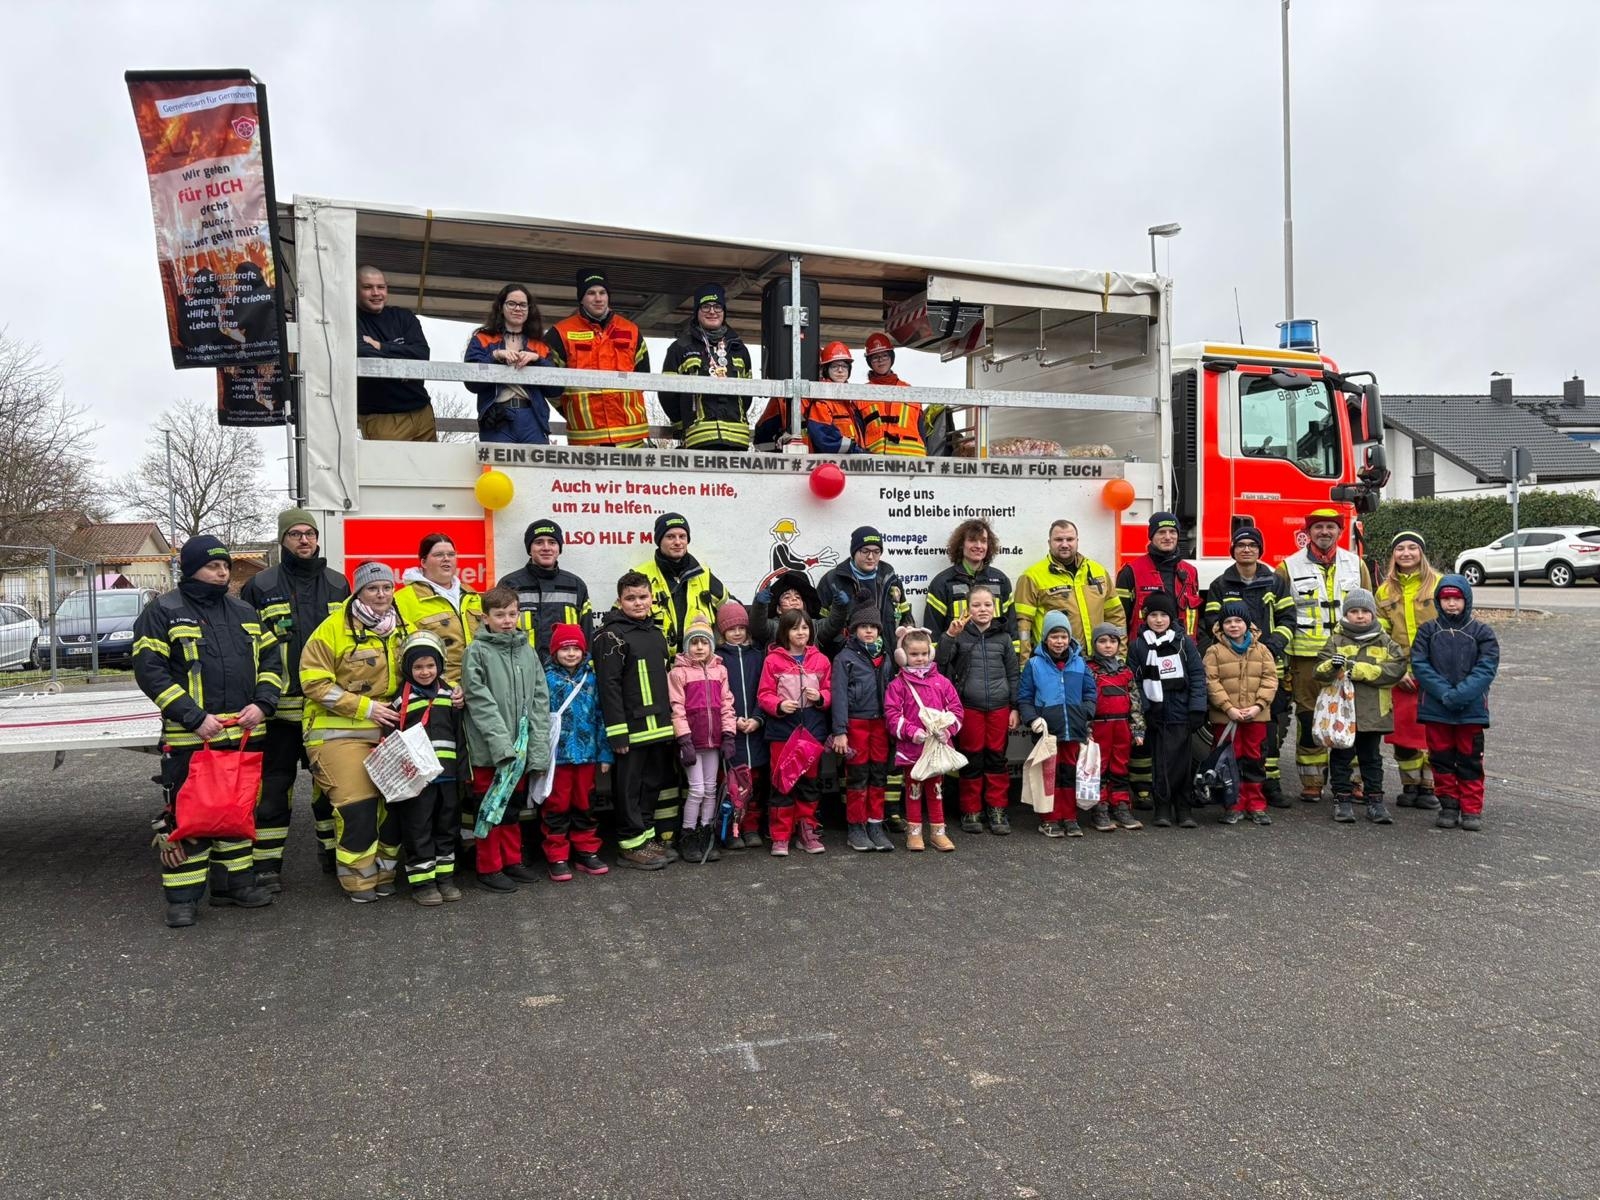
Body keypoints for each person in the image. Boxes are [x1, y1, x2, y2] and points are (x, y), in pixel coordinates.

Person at [136, 536, 283, 928]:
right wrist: (193, 717)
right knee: (192, 818)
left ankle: (234, 886)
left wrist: (264, 703)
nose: (222, 573)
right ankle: (182, 899)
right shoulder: (163, 612)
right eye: (213, 566)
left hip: (242, 734)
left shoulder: (244, 611)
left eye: (225, 567)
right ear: (191, 568)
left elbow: (271, 661)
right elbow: (151, 672)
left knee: (236, 815)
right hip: (192, 738)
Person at [240, 507, 350, 887]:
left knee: (329, 789)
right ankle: (266, 867)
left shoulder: (339, 584)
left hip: (327, 710)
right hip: (280, 714)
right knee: (272, 792)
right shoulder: (260, 586)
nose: (304, 540)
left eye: (310, 533)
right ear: (283, 539)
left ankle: (333, 857)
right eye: (295, 534)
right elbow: (247, 649)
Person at [300, 561, 409, 902]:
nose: (381, 594)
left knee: (396, 805)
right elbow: (313, 683)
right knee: (358, 807)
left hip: (389, 731)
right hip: (337, 733)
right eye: (372, 588)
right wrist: (366, 708)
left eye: (386, 588)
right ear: (358, 592)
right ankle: (359, 882)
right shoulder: (332, 630)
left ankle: (386, 873)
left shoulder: (403, 626)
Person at [1275, 508, 1373, 803]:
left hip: (1349, 656)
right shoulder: (1287, 568)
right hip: (1307, 659)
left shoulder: (1356, 565)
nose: (1325, 532)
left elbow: (1370, 611)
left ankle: (1353, 781)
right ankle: (1312, 781)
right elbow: (1281, 615)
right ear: (1309, 532)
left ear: (1340, 532)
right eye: (1318, 527)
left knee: (1350, 716)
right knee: (1309, 720)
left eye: (1331, 527)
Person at [462, 587, 552, 893]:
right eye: (499, 615)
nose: (507, 620)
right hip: (491, 751)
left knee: (512, 808)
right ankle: (489, 867)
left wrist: (536, 750)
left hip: (520, 747)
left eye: (512, 614)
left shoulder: (527, 651)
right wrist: (502, 747)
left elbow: (540, 700)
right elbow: (480, 702)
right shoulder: (477, 652)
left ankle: (512, 861)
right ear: (485, 617)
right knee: (490, 808)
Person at [1200, 526, 1294, 807]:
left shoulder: (1274, 582)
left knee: (1269, 728)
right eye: (1241, 545)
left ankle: (1270, 784)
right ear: (1233, 550)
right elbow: (1211, 622)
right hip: (1231, 668)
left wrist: (1273, 646)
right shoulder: (1220, 584)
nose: (1246, 549)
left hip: (1267, 667)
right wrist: (1227, 649)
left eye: (1253, 545)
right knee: (1233, 737)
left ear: (1259, 550)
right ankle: (1234, 790)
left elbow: (1289, 618)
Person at [595, 571, 677, 870]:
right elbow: (609, 687)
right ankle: (630, 845)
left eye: (643, 597)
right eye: (631, 598)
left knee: (651, 783)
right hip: (630, 729)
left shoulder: (656, 633)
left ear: (651, 599)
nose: (638, 603)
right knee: (628, 788)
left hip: (659, 726)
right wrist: (617, 733)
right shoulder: (610, 636)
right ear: (619, 601)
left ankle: (646, 837)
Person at [1410, 576, 1499, 833]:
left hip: (1470, 711)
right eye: (1446, 598)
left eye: (1456, 598)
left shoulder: (1482, 632)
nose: (1451, 604)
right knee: (1441, 760)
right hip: (1437, 710)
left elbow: (1486, 668)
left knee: (1470, 761)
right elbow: (1421, 665)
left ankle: (1471, 808)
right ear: (1438, 601)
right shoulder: (1428, 631)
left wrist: (1459, 695)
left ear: (1466, 600)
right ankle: (1449, 805)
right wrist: (1445, 694)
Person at [1313, 589, 1407, 825]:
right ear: (1346, 615)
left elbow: (1397, 668)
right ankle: (1342, 800)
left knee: (1372, 759)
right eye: (1354, 611)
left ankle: (1375, 801)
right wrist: (1331, 667)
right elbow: (1318, 672)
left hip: (1373, 712)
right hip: (1343, 714)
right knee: (1341, 758)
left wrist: (1362, 671)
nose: (1360, 616)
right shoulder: (1336, 640)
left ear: (1373, 614)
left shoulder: (1384, 641)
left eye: (1365, 611)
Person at [936, 585, 1019, 836]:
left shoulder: (1004, 638)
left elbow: (1013, 674)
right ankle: (970, 810)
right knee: (971, 759)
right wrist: (949, 636)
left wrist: (1014, 707)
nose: (982, 610)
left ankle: (997, 809)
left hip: (999, 708)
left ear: (995, 608)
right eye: (976, 605)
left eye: (987, 605)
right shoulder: (959, 636)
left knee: (996, 758)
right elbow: (940, 662)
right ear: (966, 608)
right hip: (968, 708)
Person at [391, 631, 464, 905]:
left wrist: (462, 770)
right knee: (418, 828)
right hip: (418, 781)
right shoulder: (401, 700)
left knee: (447, 827)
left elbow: (460, 733)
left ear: (440, 666)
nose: (424, 672)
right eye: (418, 666)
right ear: (407, 668)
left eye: (430, 666)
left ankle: (445, 878)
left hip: (447, 776)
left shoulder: (451, 695)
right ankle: (423, 883)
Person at [543, 267, 650, 447]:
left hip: (631, 437)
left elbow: (644, 378)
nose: (598, 298)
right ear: (581, 299)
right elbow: (548, 384)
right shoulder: (560, 333)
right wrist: (571, 410)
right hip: (586, 439)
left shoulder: (631, 330)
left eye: (602, 292)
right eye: (591, 293)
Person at [1127, 592, 1207, 829]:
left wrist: (1197, 709)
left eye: (1164, 615)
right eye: (1153, 615)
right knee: (1160, 762)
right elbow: (1134, 681)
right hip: (1157, 713)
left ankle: (1183, 808)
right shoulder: (1139, 646)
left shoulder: (1184, 643)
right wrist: (1146, 708)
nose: (1159, 620)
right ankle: (1162, 806)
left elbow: (1197, 676)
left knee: (1182, 762)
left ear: (1172, 617)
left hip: (1181, 712)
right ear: (1145, 617)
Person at [1375, 531, 1442, 811]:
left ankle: (1430, 787)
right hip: (1401, 675)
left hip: (1435, 673)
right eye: (1400, 548)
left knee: (1432, 733)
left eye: (1412, 548)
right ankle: (1410, 784)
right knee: (1403, 735)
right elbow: (1380, 636)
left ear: (1421, 552)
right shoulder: (1384, 591)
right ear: (1394, 555)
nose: (1406, 553)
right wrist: (1394, 670)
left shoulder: (1439, 584)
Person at [758, 609, 833, 857]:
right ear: (785, 632)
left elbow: (829, 691)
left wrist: (821, 697)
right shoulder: (773, 660)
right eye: (794, 628)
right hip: (783, 731)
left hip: (812, 730)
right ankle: (781, 835)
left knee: (809, 783)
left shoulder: (821, 660)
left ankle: (807, 830)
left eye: (805, 628)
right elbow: (764, 694)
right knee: (783, 782)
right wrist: (779, 705)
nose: (801, 633)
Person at [1017, 610, 1098, 838]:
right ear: (1044, 638)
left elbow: (1090, 692)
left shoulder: (1080, 664)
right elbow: (1024, 698)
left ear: (1069, 637)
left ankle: (1069, 817)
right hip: (1047, 734)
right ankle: (1049, 818)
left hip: (1074, 729)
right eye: (1054, 636)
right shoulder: (1034, 665)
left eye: (1063, 636)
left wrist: (1086, 712)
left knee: (1069, 774)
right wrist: (1033, 720)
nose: (1059, 641)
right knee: (1048, 776)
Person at [541, 623, 612, 882]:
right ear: (554, 652)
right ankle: (557, 854)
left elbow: (601, 716)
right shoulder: (546, 679)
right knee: (557, 804)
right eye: (565, 648)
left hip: (587, 754)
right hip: (557, 757)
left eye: (575, 648)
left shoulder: (592, 678)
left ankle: (586, 850)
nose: (571, 653)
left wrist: (605, 753)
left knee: (585, 803)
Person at [884, 628, 964, 851]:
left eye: (923, 654)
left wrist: (948, 731)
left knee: (936, 790)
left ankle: (938, 832)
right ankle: (914, 833)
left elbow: (956, 710)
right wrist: (912, 732)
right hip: (912, 750)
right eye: (913, 654)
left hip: (936, 748)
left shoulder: (942, 682)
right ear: (903, 656)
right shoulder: (898, 685)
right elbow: (892, 715)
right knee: (913, 790)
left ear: (930, 653)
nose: (919, 659)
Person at [1201, 601, 1279, 827]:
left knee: (1255, 760)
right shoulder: (1214, 651)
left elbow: (1270, 680)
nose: (1233, 625)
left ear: (1248, 624)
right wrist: (1229, 708)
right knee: (1229, 762)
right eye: (1227, 621)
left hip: (1256, 717)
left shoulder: (1262, 650)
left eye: (1238, 621)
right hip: (1226, 719)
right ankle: (1233, 805)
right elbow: (1211, 682)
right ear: (1220, 626)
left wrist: (1258, 706)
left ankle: (1256, 804)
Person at [668, 615, 737, 863]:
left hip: (714, 742)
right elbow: (677, 708)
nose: (699, 647)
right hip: (692, 742)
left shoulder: (721, 670)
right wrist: (683, 740)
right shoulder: (678, 673)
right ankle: (687, 834)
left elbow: (727, 705)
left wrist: (729, 734)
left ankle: (706, 833)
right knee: (696, 790)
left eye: (704, 643)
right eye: (694, 643)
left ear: (711, 645)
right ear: (687, 646)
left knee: (710, 790)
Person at [830, 604, 897, 852]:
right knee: (857, 777)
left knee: (879, 774)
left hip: (881, 725)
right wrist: (840, 731)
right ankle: (856, 827)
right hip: (856, 724)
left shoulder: (886, 657)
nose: (868, 631)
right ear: (853, 630)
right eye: (863, 627)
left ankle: (875, 824)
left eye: (873, 627)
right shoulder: (844, 658)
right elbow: (838, 696)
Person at [463, 284, 563, 444]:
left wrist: (537, 360)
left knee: (535, 468)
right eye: (511, 304)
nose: (518, 309)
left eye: (523, 305)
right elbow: (471, 383)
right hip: (498, 417)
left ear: (529, 310)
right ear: (501, 307)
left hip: (532, 417)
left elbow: (556, 389)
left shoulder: (539, 345)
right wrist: (494, 355)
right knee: (497, 469)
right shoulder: (482, 339)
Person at [660, 284, 754, 451]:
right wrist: (685, 423)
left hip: (737, 439)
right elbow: (667, 394)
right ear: (697, 312)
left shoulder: (739, 348)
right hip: (698, 438)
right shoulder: (680, 347)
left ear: (724, 311)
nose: (712, 311)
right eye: (705, 306)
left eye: (717, 306)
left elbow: (747, 395)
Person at [1014, 520, 1126, 654]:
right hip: (1056, 663)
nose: (1065, 544)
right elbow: (1023, 626)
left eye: (1070, 539)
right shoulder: (1031, 577)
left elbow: (1116, 616)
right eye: (1058, 539)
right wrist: (1024, 664)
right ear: (1049, 542)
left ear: (1077, 541)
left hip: (1099, 662)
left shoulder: (1098, 571)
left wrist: (1119, 655)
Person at [356, 265, 436, 442]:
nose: (376, 293)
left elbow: (422, 353)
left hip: (422, 410)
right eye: (368, 287)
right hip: (382, 417)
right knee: (389, 470)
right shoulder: (350, 319)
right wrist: (405, 356)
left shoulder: (403, 316)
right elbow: (362, 352)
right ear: (355, 289)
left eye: (381, 287)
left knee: (429, 469)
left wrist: (381, 347)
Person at [498, 518, 595, 661]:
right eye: (538, 542)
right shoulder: (509, 584)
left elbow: (587, 634)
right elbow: (497, 633)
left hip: (565, 676)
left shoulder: (575, 586)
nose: (546, 547)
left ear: (559, 548)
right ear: (529, 549)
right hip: (523, 672)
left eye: (552, 542)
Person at [394, 532, 484, 685]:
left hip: (479, 685)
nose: (446, 559)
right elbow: (399, 653)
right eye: (438, 555)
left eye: (451, 554)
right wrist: (442, 686)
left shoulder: (473, 595)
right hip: (437, 690)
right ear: (423, 562)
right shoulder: (402, 599)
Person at [716, 601, 769, 849]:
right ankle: (732, 829)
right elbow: (716, 696)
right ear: (722, 631)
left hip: (755, 731)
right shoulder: (717, 660)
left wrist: (758, 718)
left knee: (755, 784)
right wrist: (732, 720)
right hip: (731, 730)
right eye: (731, 628)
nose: (737, 632)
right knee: (732, 784)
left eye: (741, 627)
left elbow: (765, 690)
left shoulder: (758, 657)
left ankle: (751, 827)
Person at [636, 512, 730, 648]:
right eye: (670, 537)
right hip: (658, 663)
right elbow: (621, 619)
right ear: (659, 540)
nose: (678, 542)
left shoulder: (703, 574)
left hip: (696, 663)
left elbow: (731, 609)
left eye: (682, 536)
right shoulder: (641, 575)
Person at [1084, 622, 1145, 831]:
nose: (1108, 646)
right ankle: (1099, 808)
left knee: (1120, 766)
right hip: (1100, 726)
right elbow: (1084, 701)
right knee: (1098, 767)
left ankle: (1120, 805)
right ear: (1094, 644)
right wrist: (1086, 729)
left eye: (1112, 641)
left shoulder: (1125, 670)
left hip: (1122, 726)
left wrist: (1138, 729)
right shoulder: (1088, 670)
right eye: (1102, 641)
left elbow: (1135, 702)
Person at [817, 526, 911, 656]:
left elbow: (906, 618)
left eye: (876, 551)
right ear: (854, 551)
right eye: (865, 551)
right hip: (847, 660)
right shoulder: (832, 580)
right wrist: (841, 644)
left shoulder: (891, 579)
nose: (871, 557)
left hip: (887, 659)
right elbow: (819, 627)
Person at [924, 518, 1016, 648]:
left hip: (995, 662)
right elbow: (933, 632)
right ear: (961, 544)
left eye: (983, 541)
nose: (979, 546)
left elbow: (1011, 628)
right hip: (957, 662)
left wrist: (1015, 662)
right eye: (972, 540)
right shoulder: (942, 582)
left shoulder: (1001, 581)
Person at [1116, 512, 1202, 639]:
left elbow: (1194, 618)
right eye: (1161, 532)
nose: (1168, 537)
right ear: (1151, 536)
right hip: (1143, 652)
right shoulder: (1130, 572)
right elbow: (1119, 619)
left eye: (1172, 531)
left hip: (1181, 650)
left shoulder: (1190, 572)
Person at [861, 332, 925, 456]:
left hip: (913, 462)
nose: (880, 361)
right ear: (869, 362)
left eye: (884, 355)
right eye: (875, 357)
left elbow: (921, 429)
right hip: (876, 463)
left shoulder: (910, 391)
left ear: (891, 357)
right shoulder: (860, 394)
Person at [805, 342, 869, 454]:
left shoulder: (850, 403)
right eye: (835, 366)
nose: (840, 370)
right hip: (834, 464)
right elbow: (824, 438)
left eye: (844, 366)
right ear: (826, 370)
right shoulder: (822, 402)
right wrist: (855, 450)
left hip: (854, 464)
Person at [749, 569, 821, 649]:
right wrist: (760, 605)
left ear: (804, 606)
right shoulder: (773, 627)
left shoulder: (815, 626)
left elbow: (832, 624)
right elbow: (757, 626)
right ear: (779, 609)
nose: (794, 599)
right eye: (787, 597)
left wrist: (837, 606)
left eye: (798, 597)